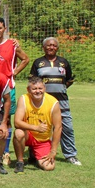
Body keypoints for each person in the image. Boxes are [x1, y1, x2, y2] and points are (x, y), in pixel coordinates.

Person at [0, 17, 29, 165]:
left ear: (4, 29)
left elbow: (25, 59)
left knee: (6, 120)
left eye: (0, 28)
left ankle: (6, 152)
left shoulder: (12, 44)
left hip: (7, 87)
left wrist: (14, 72)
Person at [29, 37, 81, 166]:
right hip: (42, 102)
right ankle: (34, 154)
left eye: (53, 45)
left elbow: (68, 80)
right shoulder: (38, 63)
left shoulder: (64, 62)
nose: (51, 47)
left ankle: (71, 155)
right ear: (43, 47)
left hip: (62, 101)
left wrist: (59, 89)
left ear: (57, 48)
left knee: (66, 128)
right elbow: (33, 83)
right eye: (48, 45)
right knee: (39, 127)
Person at [13, 76, 63, 173]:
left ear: (44, 88)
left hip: (43, 139)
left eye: (40, 88)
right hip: (28, 135)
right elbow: (17, 122)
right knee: (18, 133)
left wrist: (53, 151)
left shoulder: (53, 103)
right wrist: (36, 128)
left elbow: (58, 127)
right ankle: (20, 162)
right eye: (34, 89)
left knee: (49, 167)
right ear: (28, 89)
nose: (37, 91)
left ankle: (34, 155)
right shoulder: (23, 99)